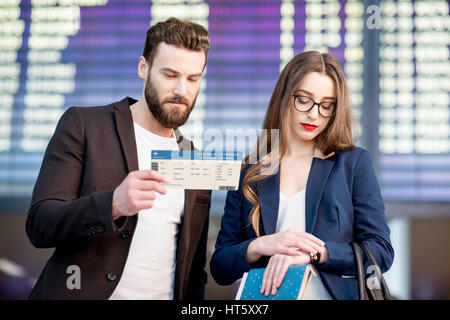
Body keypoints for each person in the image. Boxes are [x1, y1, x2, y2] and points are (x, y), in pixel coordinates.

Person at [26, 18, 212, 300]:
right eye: (170, 75)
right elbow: (40, 224)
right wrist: (112, 204)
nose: (181, 90)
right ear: (143, 67)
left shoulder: (195, 160)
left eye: (192, 79)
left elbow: (193, 268)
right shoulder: (84, 125)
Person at [210, 51, 394, 300]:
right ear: (285, 97)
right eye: (304, 100)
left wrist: (317, 253)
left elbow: (380, 251)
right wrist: (261, 245)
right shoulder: (250, 172)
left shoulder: (352, 164)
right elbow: (220, 266)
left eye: (326, 106)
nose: (314, 114)